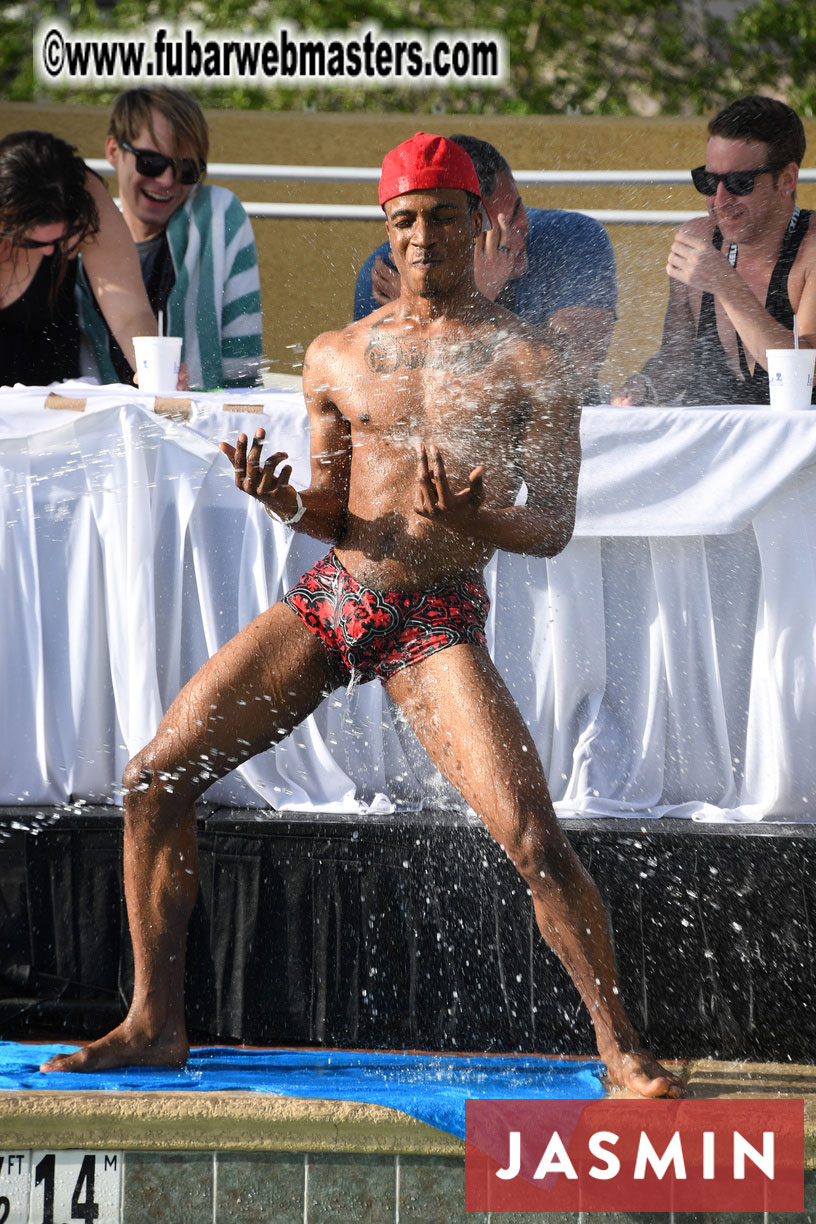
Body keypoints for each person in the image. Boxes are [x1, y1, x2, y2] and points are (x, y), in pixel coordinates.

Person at [41, 132, 681, 1098]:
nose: (423, 237)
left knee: (535, 841)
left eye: (443, 217)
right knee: (153, 778)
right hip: (338, 594)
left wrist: (479, 516)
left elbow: (552, 526)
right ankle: (153, 1021)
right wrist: (284, 502)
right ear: (387, 227)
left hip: (435, 619)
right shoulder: (341, 354)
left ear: (480, 222)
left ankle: (621, 1045)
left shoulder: (527, 361)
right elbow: (334, 508)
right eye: (405, 220)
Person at [353, 133, 618, 402]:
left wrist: (459, 303)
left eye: (516, 211)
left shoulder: (572, 239)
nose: (516, 237)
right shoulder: (394, 267)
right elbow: (393, 402)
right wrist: (469, 298)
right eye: (494, 232)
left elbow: (571, 372)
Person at [614, 95, 816, 406]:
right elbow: (676, 360)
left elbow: (807, 371)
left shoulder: (811, 249)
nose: (719, 200)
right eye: (708, 180)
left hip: (794, 449)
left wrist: (726, 284)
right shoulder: (698, 238)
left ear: (786, 179)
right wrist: (643, 388)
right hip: (712, 445)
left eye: (739, 182)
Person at [78, 87, 263, 390]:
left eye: (186, 169)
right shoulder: (77, 236)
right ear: (113, 150)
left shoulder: (218, 217)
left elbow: (243, 369)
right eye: (150, 162)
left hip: (197, 428)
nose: (167, 181)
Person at [0, 130, 157, 387]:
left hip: (55, 399)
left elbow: (130, 311)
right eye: (32, 243)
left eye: (60, 239)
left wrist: (151, 367)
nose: (50, 251)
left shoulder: (84, 192)